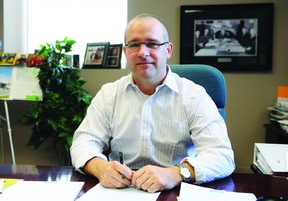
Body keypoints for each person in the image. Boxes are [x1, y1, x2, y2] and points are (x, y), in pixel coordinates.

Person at [70, 14, 235, 193]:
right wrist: (100, 167)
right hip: (120, 191)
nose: (143, 52)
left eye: (152, 44)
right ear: (125, 52)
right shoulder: (108, 95)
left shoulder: (194, 96)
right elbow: (82, 144)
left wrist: (176, 173)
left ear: (168, 50)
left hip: (175, 191)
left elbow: (222, 156)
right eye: (134, 44)